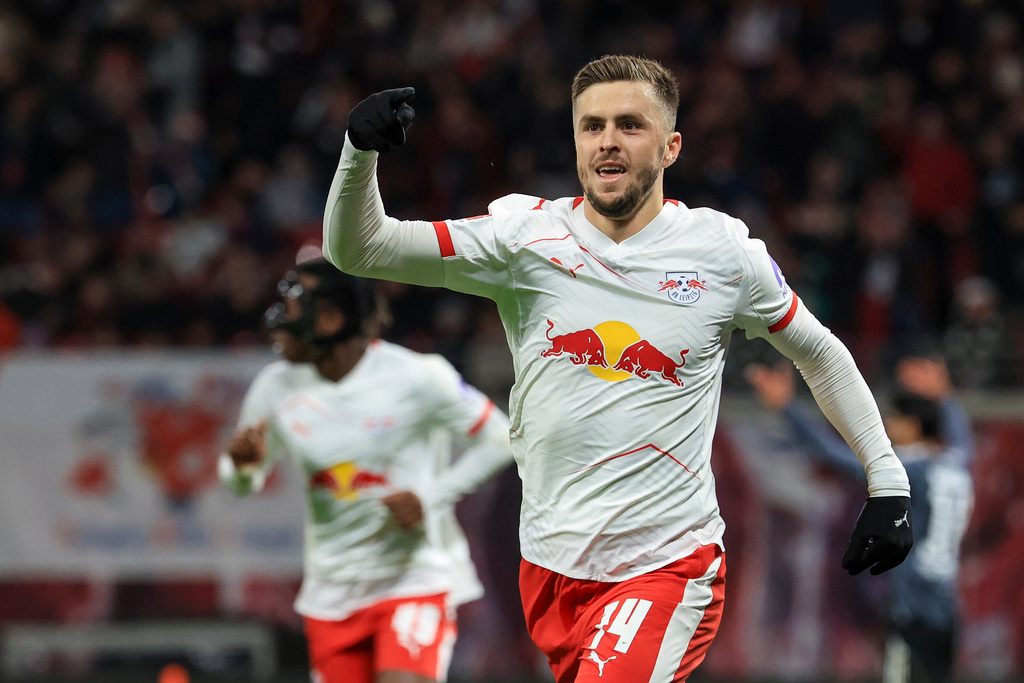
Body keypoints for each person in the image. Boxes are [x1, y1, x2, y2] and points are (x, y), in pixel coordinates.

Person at [322, 55, 913, 683]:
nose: (607, 140)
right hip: (551, 565)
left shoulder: (722, 252)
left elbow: (819, 352)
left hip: (666, 565)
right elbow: (360, 249)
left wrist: (888, 480)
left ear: (671, 146)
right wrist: (360, 153)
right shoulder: (522, 239)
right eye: (592, 125)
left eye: (630, 125)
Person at [219, 258, 515, 683]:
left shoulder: (417, 376)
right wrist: (243, 468)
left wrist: (430, 497)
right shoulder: (275, 386)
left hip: (412, 578)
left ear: (333, 319)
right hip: (332, 590)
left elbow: (500, 439)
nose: (279, 321)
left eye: (295, 308)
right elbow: (241, 482)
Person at [745, 357, 974, 683]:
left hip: (913, 608)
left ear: (913, 424)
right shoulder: (958, 460)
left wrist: (787, 409)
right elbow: (963, 437)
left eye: (894, 420)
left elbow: (834, 454)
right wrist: (946, 396)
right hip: (945, 606)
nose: (889, 428)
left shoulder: (909, 469)